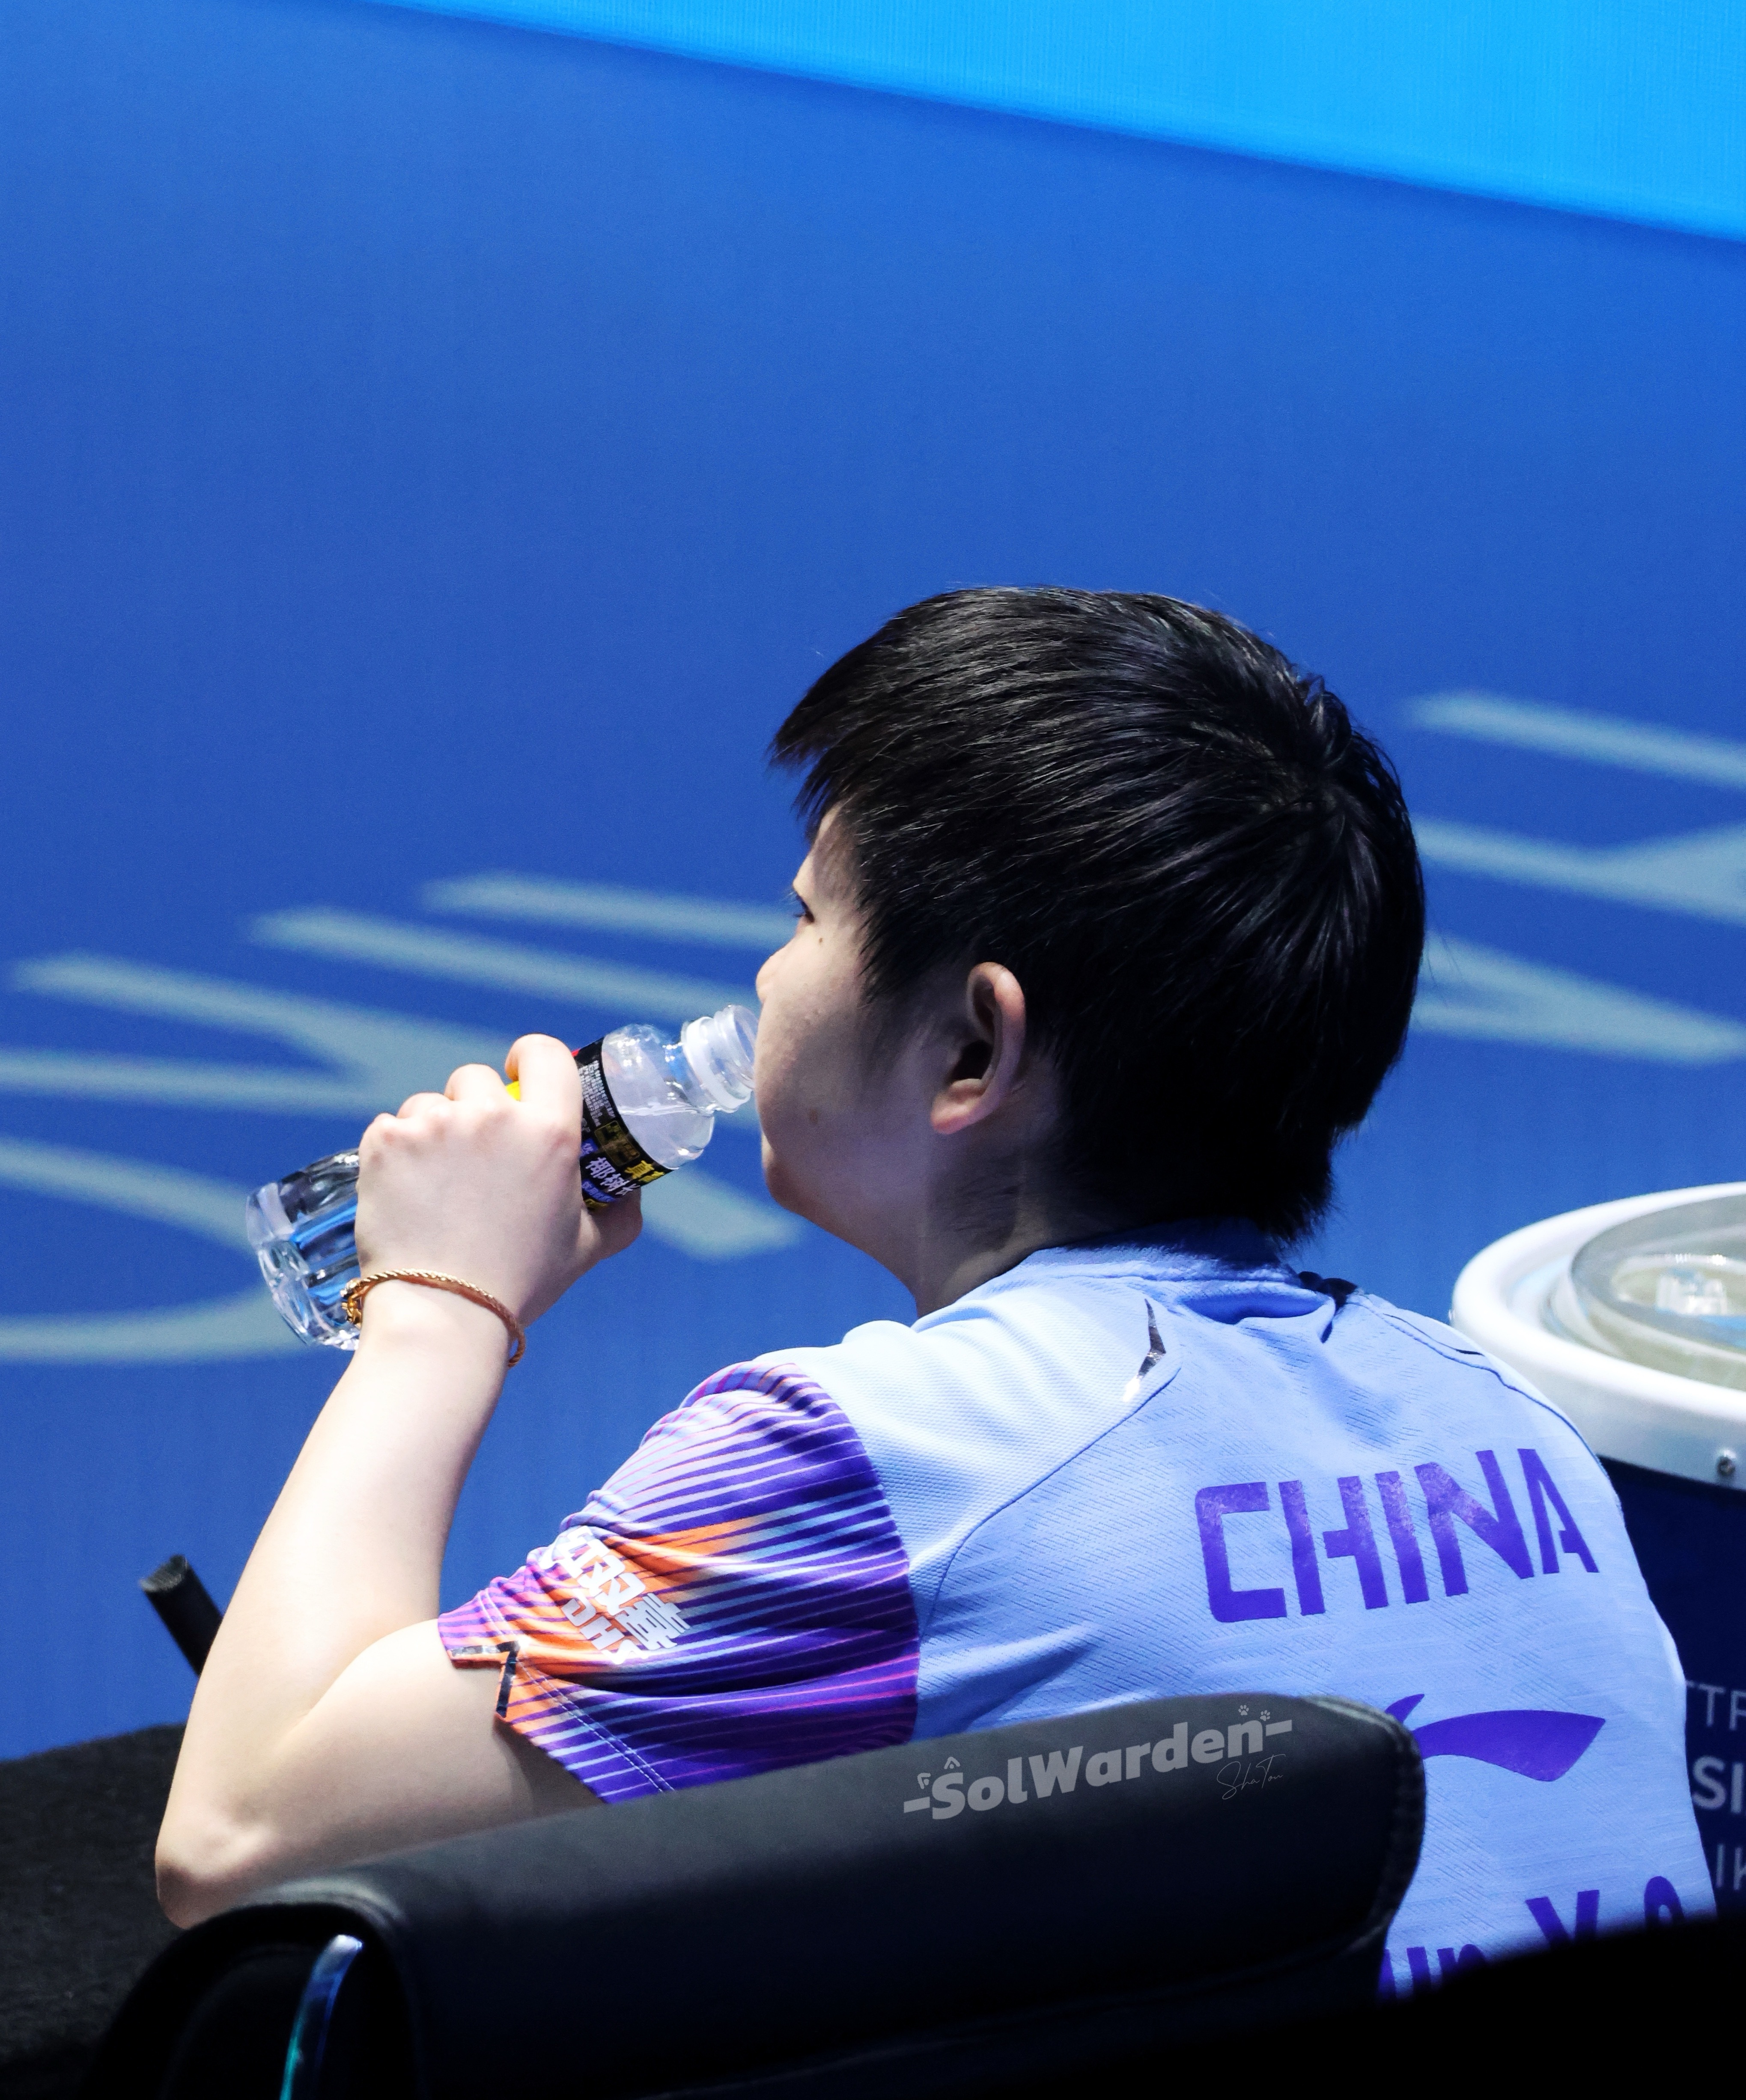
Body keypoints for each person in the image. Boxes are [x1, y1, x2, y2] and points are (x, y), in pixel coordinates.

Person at [158, 587, 1709, 1979]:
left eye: (806, 919)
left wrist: (438, 1310)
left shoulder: (864, 1462)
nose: (767, 978)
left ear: (974, 1048)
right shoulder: (1515, 1426)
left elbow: (244, 1838)